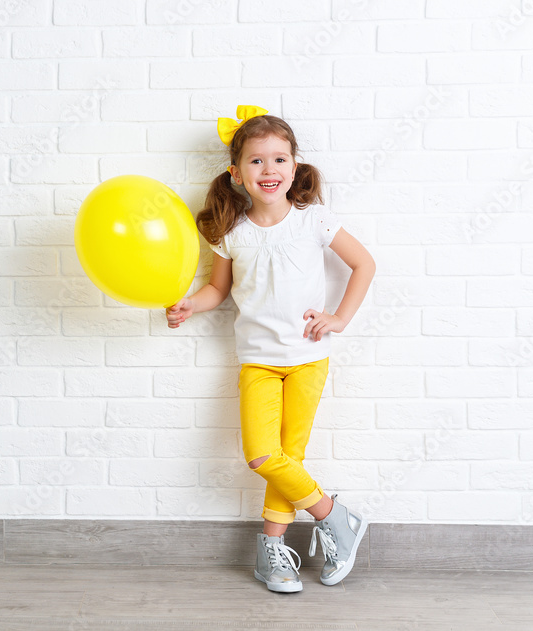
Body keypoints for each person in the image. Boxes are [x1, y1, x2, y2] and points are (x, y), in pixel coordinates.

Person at [166, 105, 375, 593]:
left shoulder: (313, 220)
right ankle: (336, 518)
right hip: (258, 361)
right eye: (257, 162)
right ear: (235, 172)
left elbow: (363, 264)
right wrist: (188, 307)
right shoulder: (231, 233)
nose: (270, 170)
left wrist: (339, 318)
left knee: (289, 456)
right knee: (263, 455)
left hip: (307, 359)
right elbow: (217, 291)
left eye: (280, 159)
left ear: (295, 168)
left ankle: (272, 554)